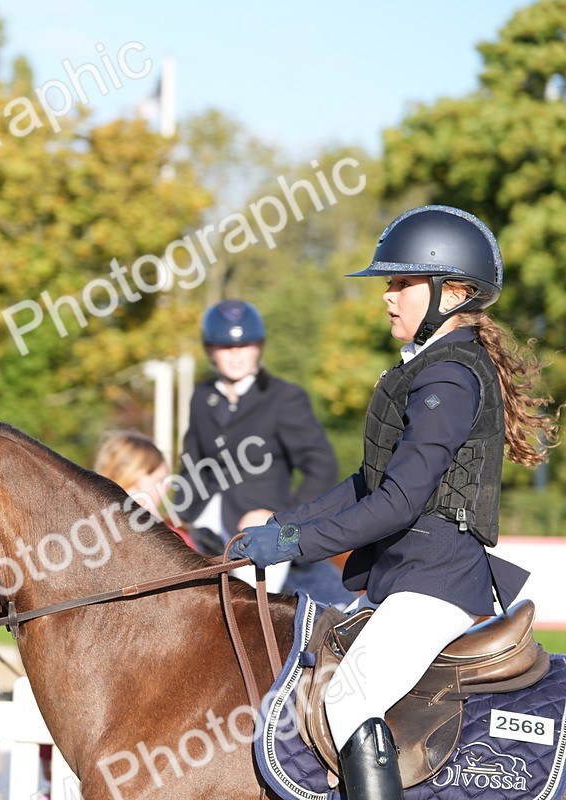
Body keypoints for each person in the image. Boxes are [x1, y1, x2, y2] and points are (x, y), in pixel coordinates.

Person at [231, 205, 559, 800]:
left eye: (401, 283)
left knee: (348, 696)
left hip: (436, 584)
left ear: (451, 292)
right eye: (389, 284)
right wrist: (285, 523)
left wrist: (294, 544)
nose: (388, 297)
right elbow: (368, 481)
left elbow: (400, 501)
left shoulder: (451, 377)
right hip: (406, 578)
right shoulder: (429, 368)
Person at [175, 299, 342, 593]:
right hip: (205, 523)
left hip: (259, 531)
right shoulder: (201, 397)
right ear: (211, 350)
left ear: (259, 347)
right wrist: (181, 512)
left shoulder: (284, 398)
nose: (236, 355)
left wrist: (283, 517)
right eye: (226, 347)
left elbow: (322, 466)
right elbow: (192, 462)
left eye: (245, 346)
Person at [93, 430, 197, 550]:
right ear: (139, 478)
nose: (168, 488)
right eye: (160, 480)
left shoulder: (89, 531)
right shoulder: (172, 540)